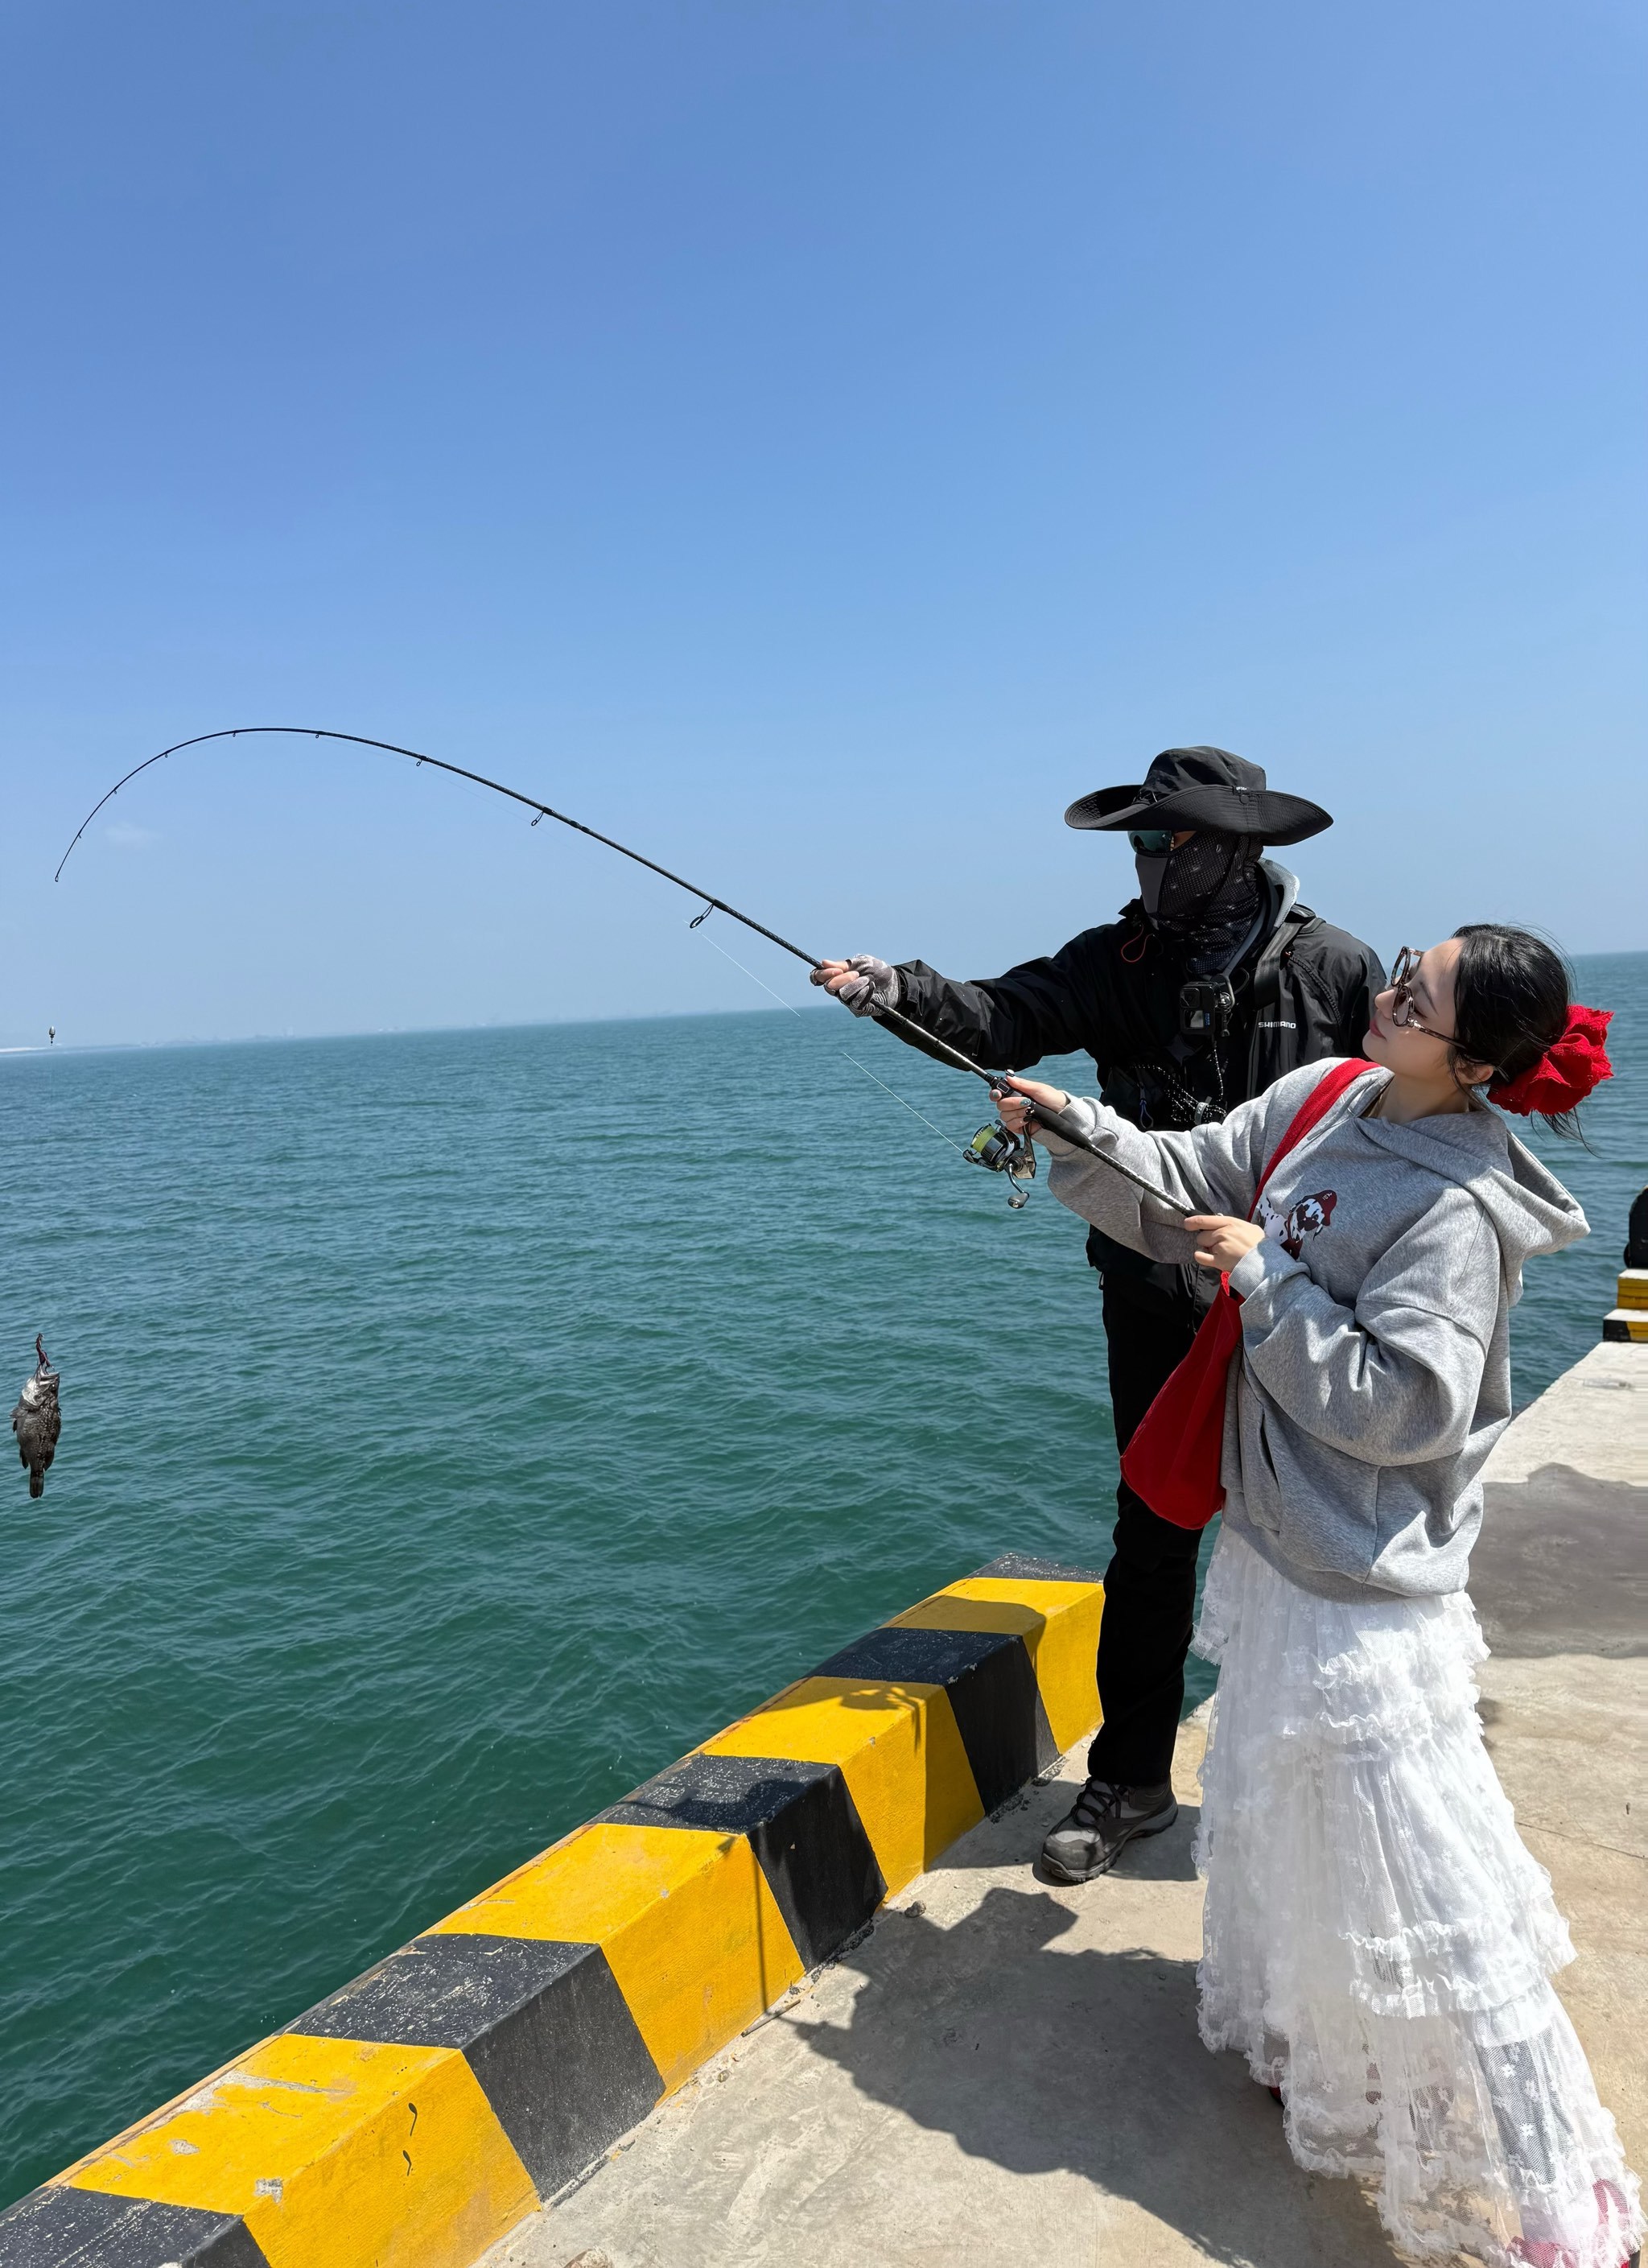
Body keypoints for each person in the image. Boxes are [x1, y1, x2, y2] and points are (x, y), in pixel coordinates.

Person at [995, 927, 1639, 2268]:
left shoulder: (1455, 1209)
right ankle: (1314, 2044)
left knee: (1436, 1865)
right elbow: (1188, 1173)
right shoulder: (1327, 1096)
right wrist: (1071, 1116)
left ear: (1473, 1060)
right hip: (1280, 1546)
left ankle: (1558, 2190)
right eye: (1406, 963)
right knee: (1281, 1809)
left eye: (1421, 993)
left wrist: (1264, 1276)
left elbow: (1403, 1405)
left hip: (1365, 1584)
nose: (1390, 990)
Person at [814, 745, 1384, 1879]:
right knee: (1154, 1532)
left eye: (1169, 842)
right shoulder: (1114, 957)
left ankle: (1337, 1785)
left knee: (1321, 1536)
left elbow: (1395, 1119)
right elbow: (1002, 1014)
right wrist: (899, 992)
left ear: (1235, 847)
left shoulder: (1339, 967)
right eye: (1141, 842)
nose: (1150, 863)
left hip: (1303, 1298)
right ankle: (1129, 1781)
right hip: (1155, 1291)